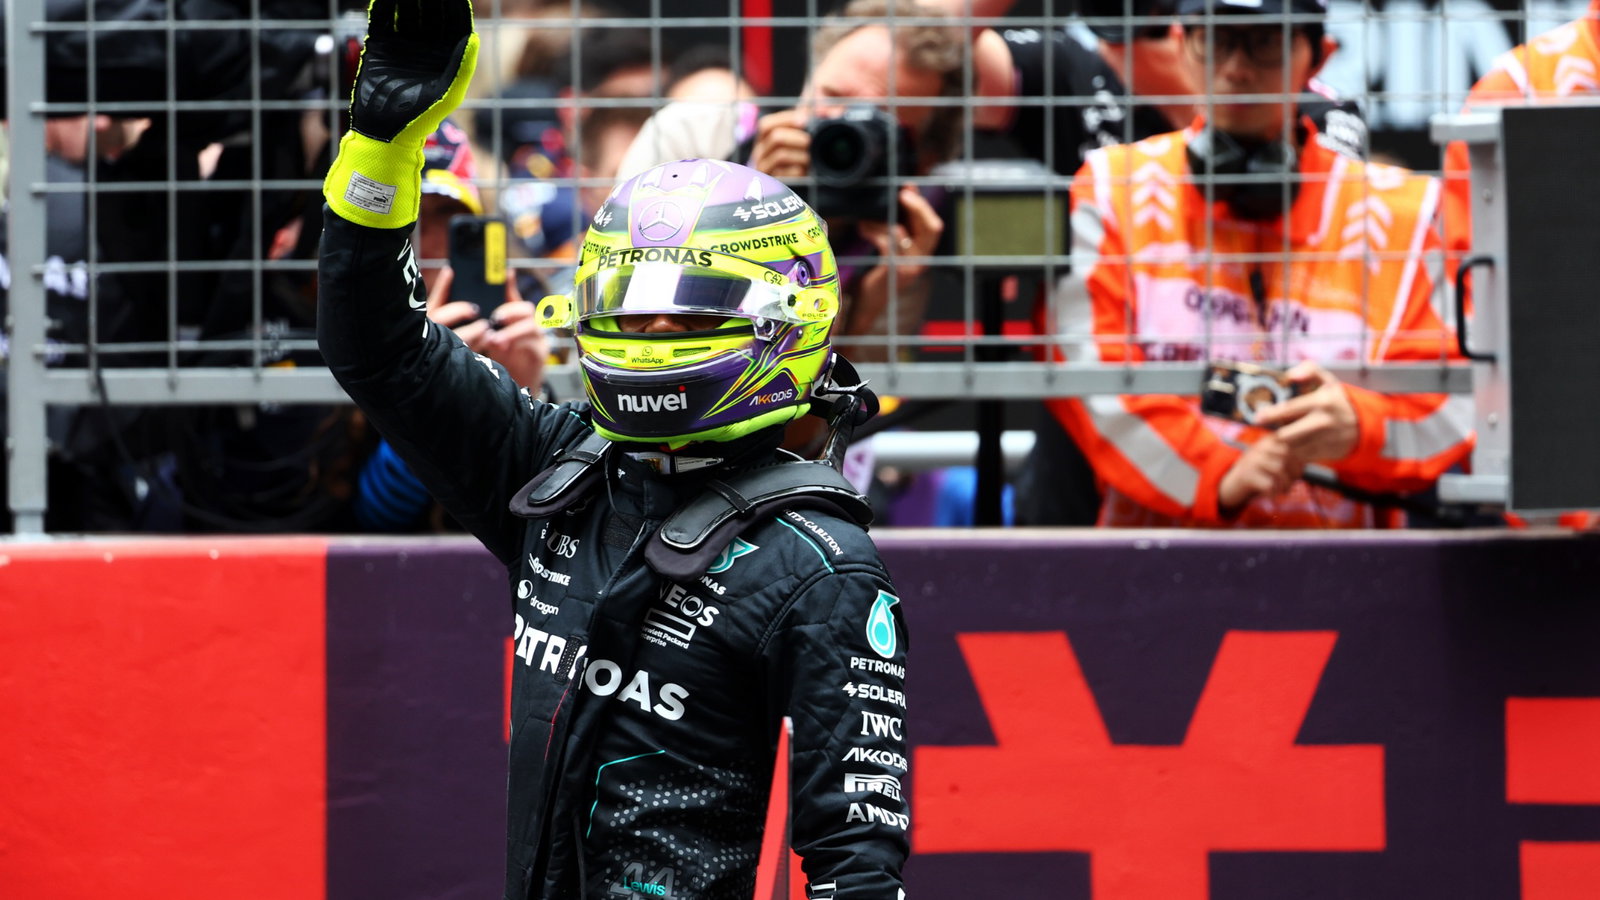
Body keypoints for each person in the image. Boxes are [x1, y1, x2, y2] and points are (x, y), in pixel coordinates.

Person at [318, 2, 909, 896]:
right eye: (631, 308)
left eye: (688, 310)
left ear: (780, 320)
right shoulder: (558, 476)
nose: (651, 332)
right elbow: (379, 344)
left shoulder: (820, 567)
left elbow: (854, 870)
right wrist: (382, 146)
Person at [1045, 0, 1474, 528]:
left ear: (1318, 58)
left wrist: (1364, 427)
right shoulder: (1112, 189)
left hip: (1351, 577)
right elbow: (1090, 384)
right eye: (1218, 40)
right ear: (1182, 47)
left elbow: (1455, 401)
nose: (1237, 68)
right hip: (1157, 574)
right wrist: (1219, 472)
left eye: (1265, 42)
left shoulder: (1406, 211)